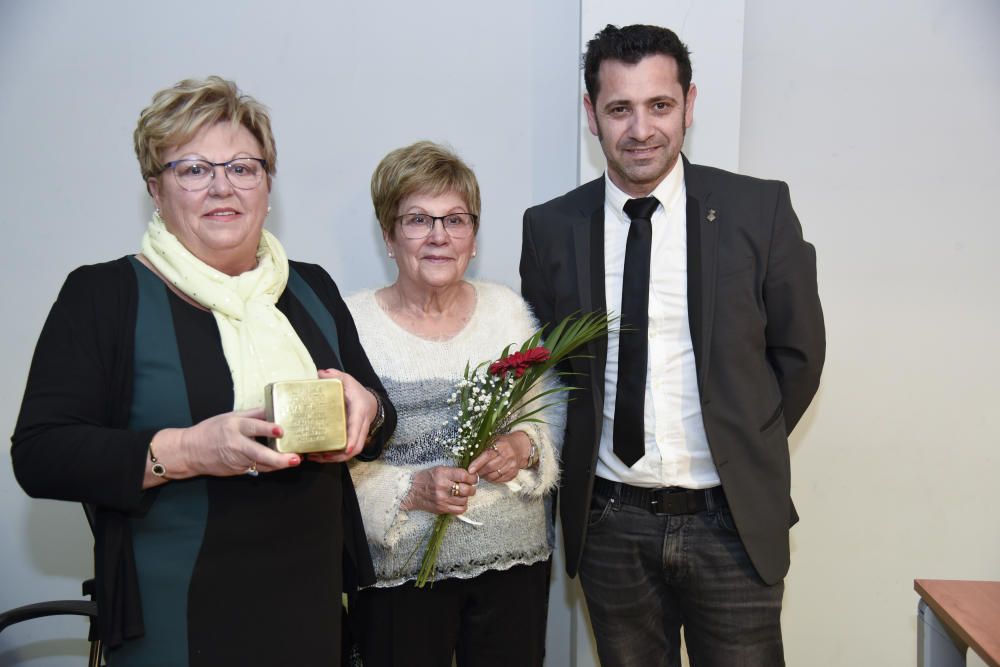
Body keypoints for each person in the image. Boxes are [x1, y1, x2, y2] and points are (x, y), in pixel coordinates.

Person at [10, 76, 395, 666]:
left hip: (308, 604)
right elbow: (40, 454)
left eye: (243, 167)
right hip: (175, 613)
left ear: (267, 184)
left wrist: (366, 407)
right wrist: (190, 449)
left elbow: (378, 413)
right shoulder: (105, 295)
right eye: (193, 169)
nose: (223, 187)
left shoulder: (310, 287)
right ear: (155, 189)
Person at [520, 24, 826, 666]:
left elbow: (799, 356)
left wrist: (749, 438)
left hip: (732, 524)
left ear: (689, 104)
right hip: (609, 525)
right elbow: (549, 372)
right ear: (591, 115)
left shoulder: (758, 210)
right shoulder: (550, 228)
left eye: (659, 105)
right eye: (619, 109)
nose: (640, 129)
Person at [345, 141, 562, 667]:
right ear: (389, 236)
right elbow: (336, 458)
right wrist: (411, 491)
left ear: (473, 236)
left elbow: (545, 419)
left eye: (456, 220)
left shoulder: (506, 311)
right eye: (418, 219)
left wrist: (522, 447)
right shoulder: (350, 323)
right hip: (400, 571)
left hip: (514, 564)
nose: (439, 236)